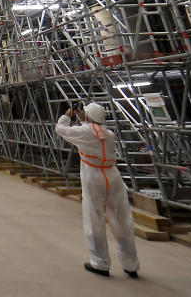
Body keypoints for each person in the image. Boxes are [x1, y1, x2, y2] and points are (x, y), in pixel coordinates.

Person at [55, 102, 140, 278]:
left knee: (94, 218)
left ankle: (100, 263)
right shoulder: (109, 134)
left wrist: (69, 115)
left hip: (93, 175)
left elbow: (61, 129)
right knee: (121, 219)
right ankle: (131, 264)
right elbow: (94, 129)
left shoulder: (84, 132)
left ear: (86, 117)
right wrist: (83, 118)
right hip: (113, 176)